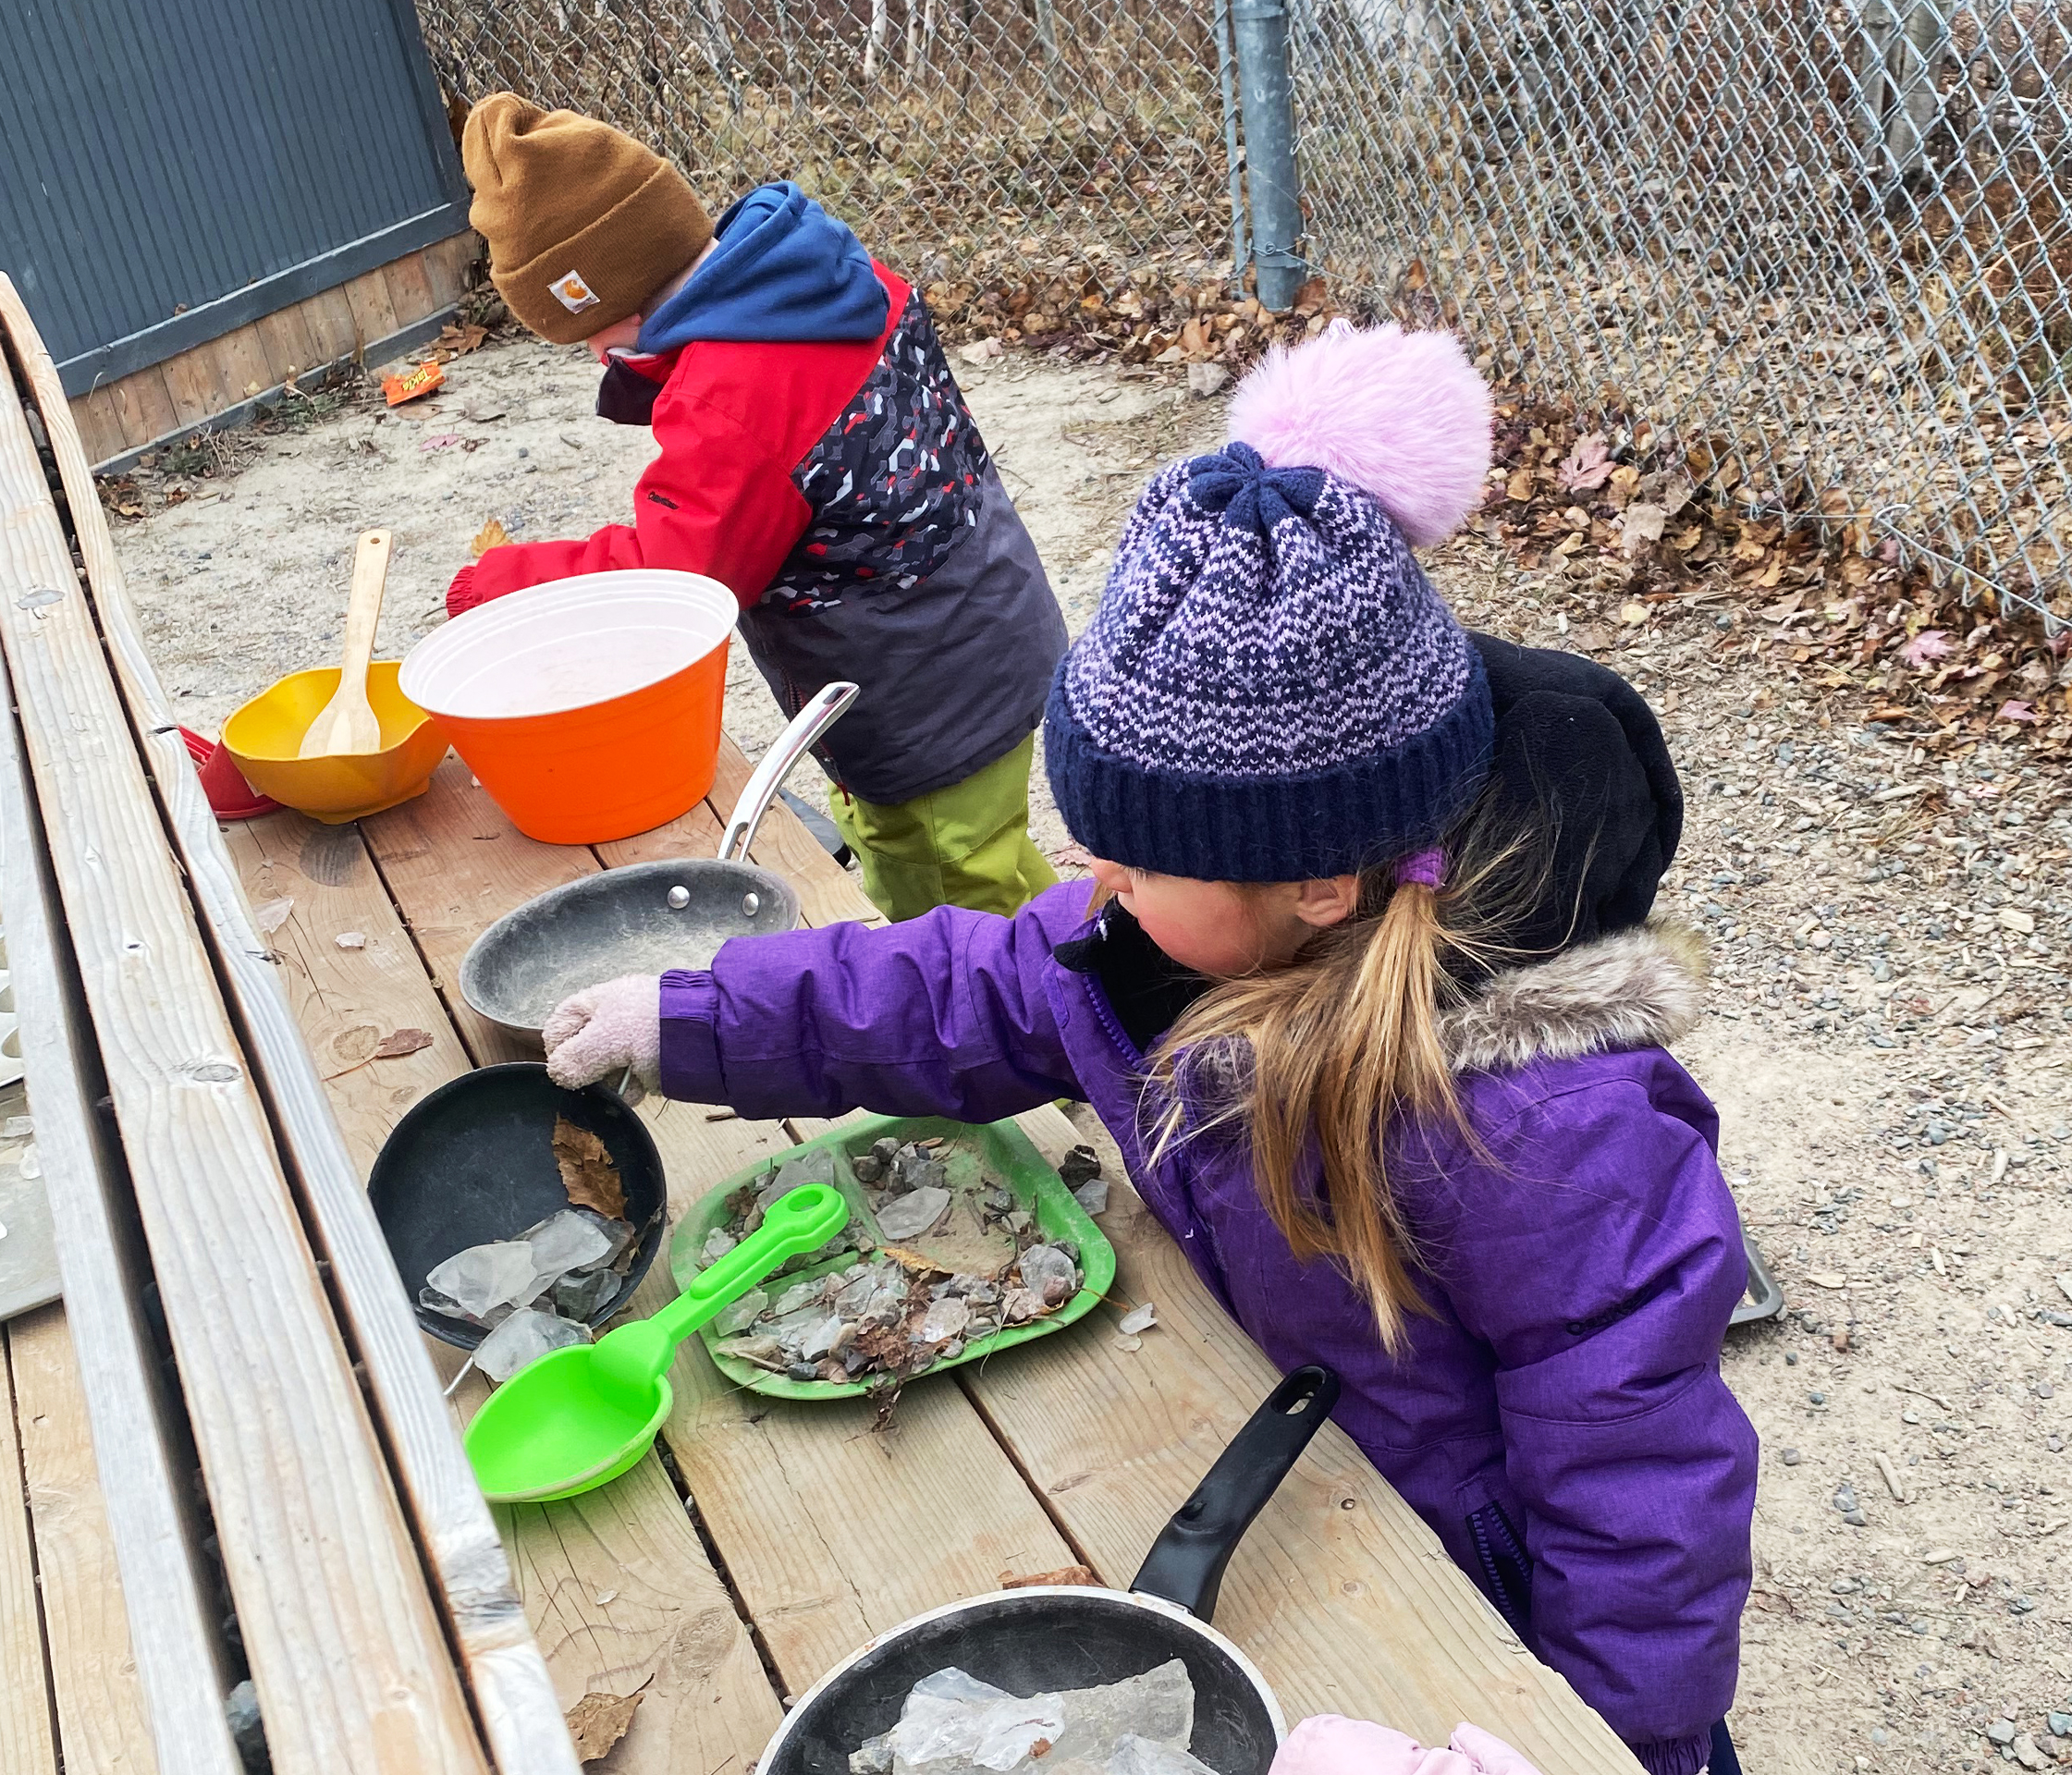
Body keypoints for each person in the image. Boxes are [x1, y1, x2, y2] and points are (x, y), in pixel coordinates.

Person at [539, 323, 1757, 1775]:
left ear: (1309, 881)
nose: (1076, 861)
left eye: (1126, 853)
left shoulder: (1540, 1133)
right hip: (1301, 1447)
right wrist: (702, 1020)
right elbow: (956, 992)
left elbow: (1638, 1474)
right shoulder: (1160, 947)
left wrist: (1615, 1741)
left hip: (1485, 1604)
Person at [448, 92, 1065, 919]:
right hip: (980, 616)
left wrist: (506, 582)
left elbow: (676, 580)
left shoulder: (727, 402)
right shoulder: (815, 276)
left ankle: (1043, 1014)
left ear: (609, 297)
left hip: (916, 694)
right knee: (967, 849)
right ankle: (1079, 956)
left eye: (587, 336)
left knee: (958, 901)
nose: (594, 357)